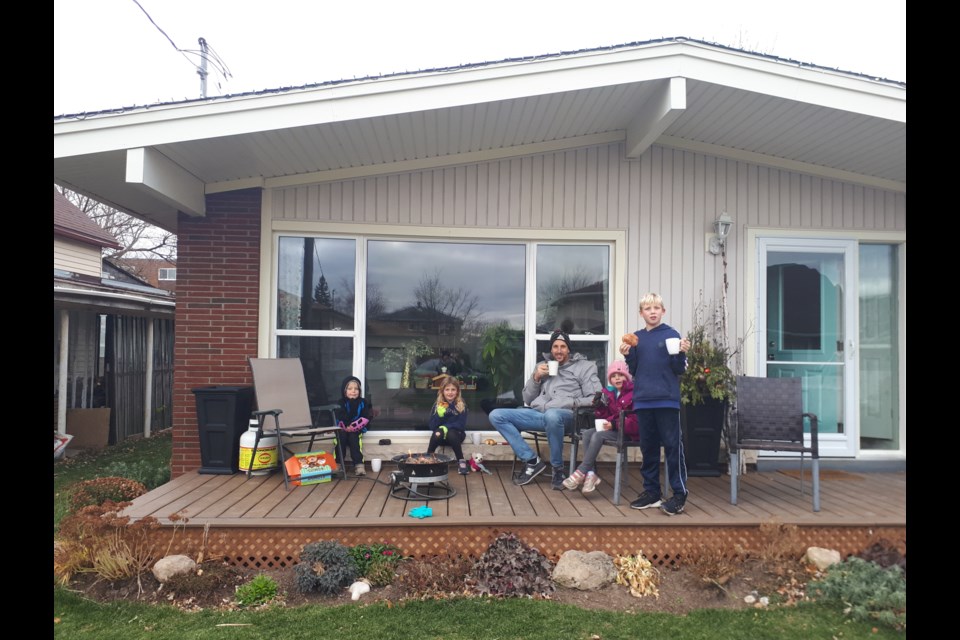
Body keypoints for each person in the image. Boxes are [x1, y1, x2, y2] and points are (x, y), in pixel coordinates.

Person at [489, 329, 603, 490]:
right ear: (551, 349)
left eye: (563, 346)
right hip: (539, 414)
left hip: (569, 417)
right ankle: (532, 461)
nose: (558, 350)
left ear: (569, 349)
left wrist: (566, 402)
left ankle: (558, 470)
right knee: (497, 415)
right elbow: (527, 399)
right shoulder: (542, 367)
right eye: (555, 346)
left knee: (552, 415)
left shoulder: (584, 367)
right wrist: (536, 378)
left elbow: (596, 398)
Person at [620, 293, 691, 515]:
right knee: (648, 448)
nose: (652, 311)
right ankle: (651, 492)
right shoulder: (637, 338)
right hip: (643, 400)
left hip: (667, 400)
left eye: (657, 308)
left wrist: (681, 353)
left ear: (663, 311)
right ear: (641, 313)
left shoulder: (672, 335)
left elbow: (679, 369)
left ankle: (679, 495)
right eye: (648, 308)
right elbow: (634, 369)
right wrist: (628, 356)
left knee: (672, 446)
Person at [561, 359, 638, 494]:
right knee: (587, 433)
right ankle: (591, 474)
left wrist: (614, 424)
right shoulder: (611, 394)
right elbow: (607, 415)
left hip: (630, 432)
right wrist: (600, 407)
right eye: (613, 376)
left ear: (626, 376)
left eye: (620, 375)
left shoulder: (634, 393)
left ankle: (582, 471)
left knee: (598, 434)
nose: (617, 378)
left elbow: (635, 421)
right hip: (615, 429)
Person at [425, 376, 471, 475]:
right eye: (447, 389)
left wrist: (446, 426)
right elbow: (432, 426)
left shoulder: (461, 405)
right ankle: (428, 458)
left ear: (457, 391)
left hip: (456, 436)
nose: (450, 392)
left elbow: (461, 424)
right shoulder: (437, 405)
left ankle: (461, 461)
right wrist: (439, 415)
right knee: (437, 432)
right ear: (442, 391)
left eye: (453, 389)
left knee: (451, 433)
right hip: (441, 437)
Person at [334, 375, 374, 476]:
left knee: (354, 438)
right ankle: (338, 463)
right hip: (343, 427)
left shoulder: (363, 402)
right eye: (350, 388)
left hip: (357, 429)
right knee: (340, 438)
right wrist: (347, 425)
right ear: (345, 391)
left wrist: (355, 427)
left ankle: (359, 464)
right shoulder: (341, 402)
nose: (353, 391)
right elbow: (341, 414)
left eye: (356, 389)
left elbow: (366, 416)